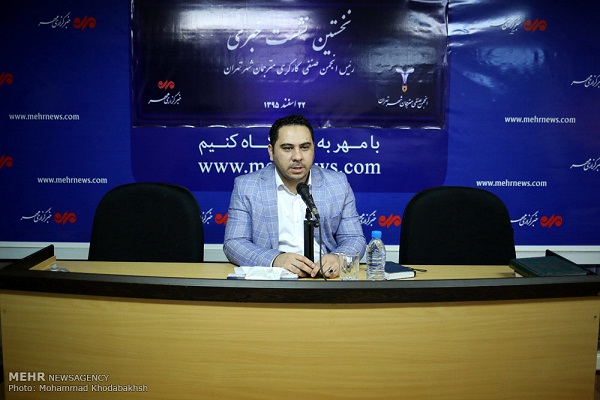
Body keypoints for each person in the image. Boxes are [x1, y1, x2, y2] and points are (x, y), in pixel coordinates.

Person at [223, 114, 366, 278]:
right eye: (287, 148)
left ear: (314, 149)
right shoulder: (246, 187)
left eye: (305, 147)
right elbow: (234, 243)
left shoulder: (337, 184)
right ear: (271, 151)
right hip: (274, 280)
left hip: (324, 279)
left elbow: (354, 238)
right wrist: (275, 259)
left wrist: (338, 258)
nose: (297, 156)